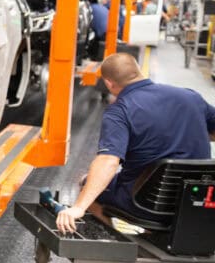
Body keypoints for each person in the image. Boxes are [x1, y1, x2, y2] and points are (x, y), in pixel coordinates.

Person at [56, 53, 215, 235]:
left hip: (146, 204)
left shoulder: (120, 111)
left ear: (108, 83)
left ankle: (117, 248)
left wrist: (78, 207)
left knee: (87, 184)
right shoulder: (190, 97)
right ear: (138, 71)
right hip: (196, 200)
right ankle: (151, 239)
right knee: (156, 190)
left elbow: (108, 161)